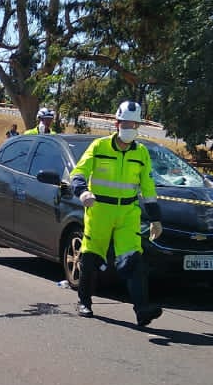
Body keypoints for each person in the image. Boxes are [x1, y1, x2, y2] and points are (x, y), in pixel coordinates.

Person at [68, 100, 163, 328]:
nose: (130, 128)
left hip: (128, 212)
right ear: (116, 123)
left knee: (134, 259)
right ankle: (84, 301)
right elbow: (79, 172)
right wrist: (82, 192)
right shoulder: (99, 147)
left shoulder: (141, 153)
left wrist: (155, 218)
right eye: (126, 123)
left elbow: (148, 188)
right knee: (91, 257)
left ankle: (142, 310)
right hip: (99, 209)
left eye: (134, 124)